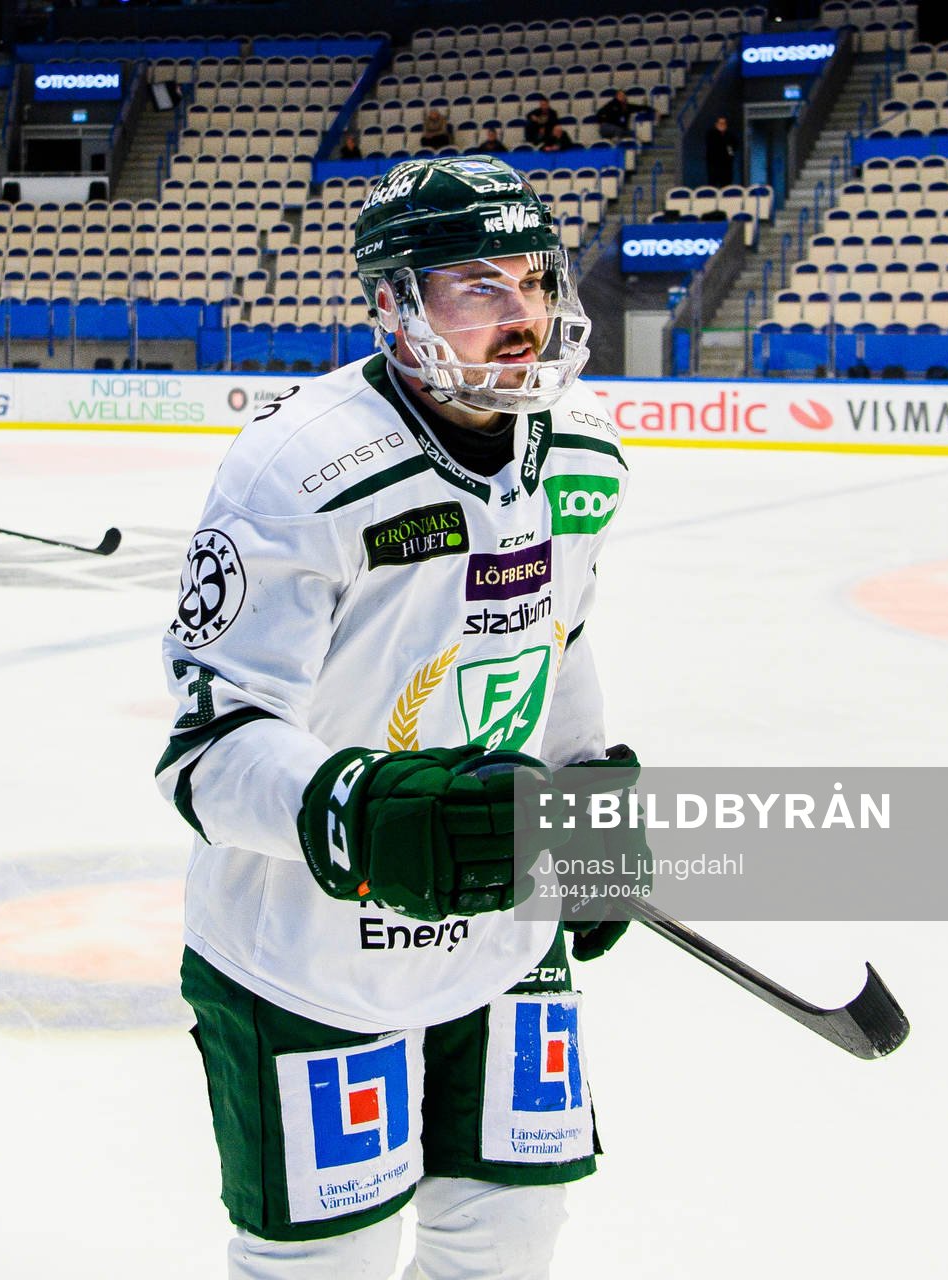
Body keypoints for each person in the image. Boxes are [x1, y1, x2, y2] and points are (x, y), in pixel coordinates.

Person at [157, 154, 631, 1279]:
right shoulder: (298, 468)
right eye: (479, 288)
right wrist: (360, 808)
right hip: (308, 949)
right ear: (393, 303)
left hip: (505, 926)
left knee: (513, 1242)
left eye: (532, 280)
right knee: (333, 1262)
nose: (521, 317)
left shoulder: (585, 447)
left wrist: (591, 774)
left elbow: (553, 635)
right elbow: (206, 754)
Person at [705, 114, 738, 187]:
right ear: (716, 124)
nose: (722, 125)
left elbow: (732, 147)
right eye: (720, 123)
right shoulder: (711, 134)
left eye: (724, 123)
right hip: (714, 165)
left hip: (726, 165)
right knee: (713, 184)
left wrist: (730, 155)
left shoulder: (730, 135)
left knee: (726, 184)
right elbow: (712, 147)